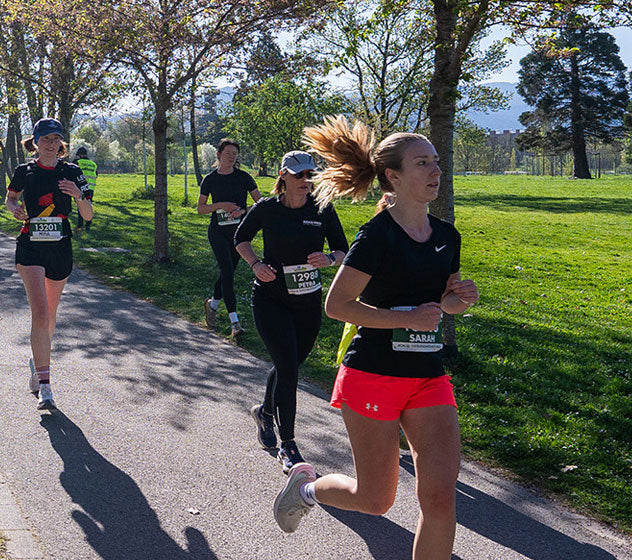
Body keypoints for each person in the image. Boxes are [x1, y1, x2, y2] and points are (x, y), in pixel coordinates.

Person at [272, 118, 479, 560]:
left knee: (440, 497)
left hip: (428, 376)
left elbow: (445, 303)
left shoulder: (447, 236)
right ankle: (306, 489)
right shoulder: (377, 236)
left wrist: (459, 299)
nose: (435, 171)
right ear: (393, 176)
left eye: (436, 162)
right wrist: (408, 316)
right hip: (373, 374)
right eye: (422, 163)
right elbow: (337, 305)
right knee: (375, 500)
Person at [232, 151, 348, 472]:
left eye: (310, 174)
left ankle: (265, 412)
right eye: (299, 175)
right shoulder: (266, 208)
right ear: (283, 175)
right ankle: (289, 444)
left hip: (307, 304)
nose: (306, 181)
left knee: (289, 365)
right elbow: (241, 238)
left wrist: (330, 259)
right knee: (288, 369)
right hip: (270, 300)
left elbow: (343, 248)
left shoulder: (322, 208)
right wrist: (255, 264)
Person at [4, 119, 92, 411]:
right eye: (46, 139)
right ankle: (45, 386)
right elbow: (10, 198)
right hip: (30, 246)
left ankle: (37, 360)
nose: (51, 144)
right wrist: (14, 209)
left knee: (50, 316)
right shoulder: (24, 171)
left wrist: (78, 196)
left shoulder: (72, 171)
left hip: (60, 248)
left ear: (61, 142)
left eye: (56, 139)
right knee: (40, 314)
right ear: (35, 142)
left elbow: (88, 215)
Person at [197, 138, 263, 337]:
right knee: (227, 270)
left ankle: (212, 305)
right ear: (219, 155)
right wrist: (221, 205)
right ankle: (235, 323)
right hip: (217, 233)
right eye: (228, 153)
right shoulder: (210, 179)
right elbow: (201, 209)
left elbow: (261, 204)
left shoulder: (244, 178)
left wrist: (242, 211)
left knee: (228, 273)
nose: (232, 157)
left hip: (239, 234)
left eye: (235, 153)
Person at [74, 147, 99, 232]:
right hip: (91, 188)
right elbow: (96, 174)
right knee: (89, 205)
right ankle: (88, 225)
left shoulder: (78, 162)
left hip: (81, 187)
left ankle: (80, 225)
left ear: (80, 155)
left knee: (81, 205)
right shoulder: (93, 164)